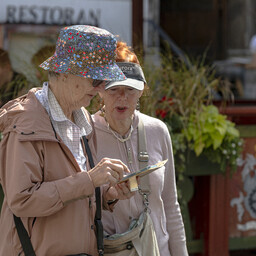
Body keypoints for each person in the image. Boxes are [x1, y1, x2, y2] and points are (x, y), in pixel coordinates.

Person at [0, 25, 133, 256]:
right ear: (63, 73)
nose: (101, 87)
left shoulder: (82, 120)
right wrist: (89, 180)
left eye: (104, 79)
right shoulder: (26, 122)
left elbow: (77, 193)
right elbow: (22, 200)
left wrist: (107, 195)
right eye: (95, 78)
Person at [92, 41, 189, 255]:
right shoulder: (86, 133)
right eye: (114, 89)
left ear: (141, 91)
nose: (122, 97)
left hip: (157, 249)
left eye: (130, 89)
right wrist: (108, 195)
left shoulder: (158, 130)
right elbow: (77, 207)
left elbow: (171, 205)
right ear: (99, 91)